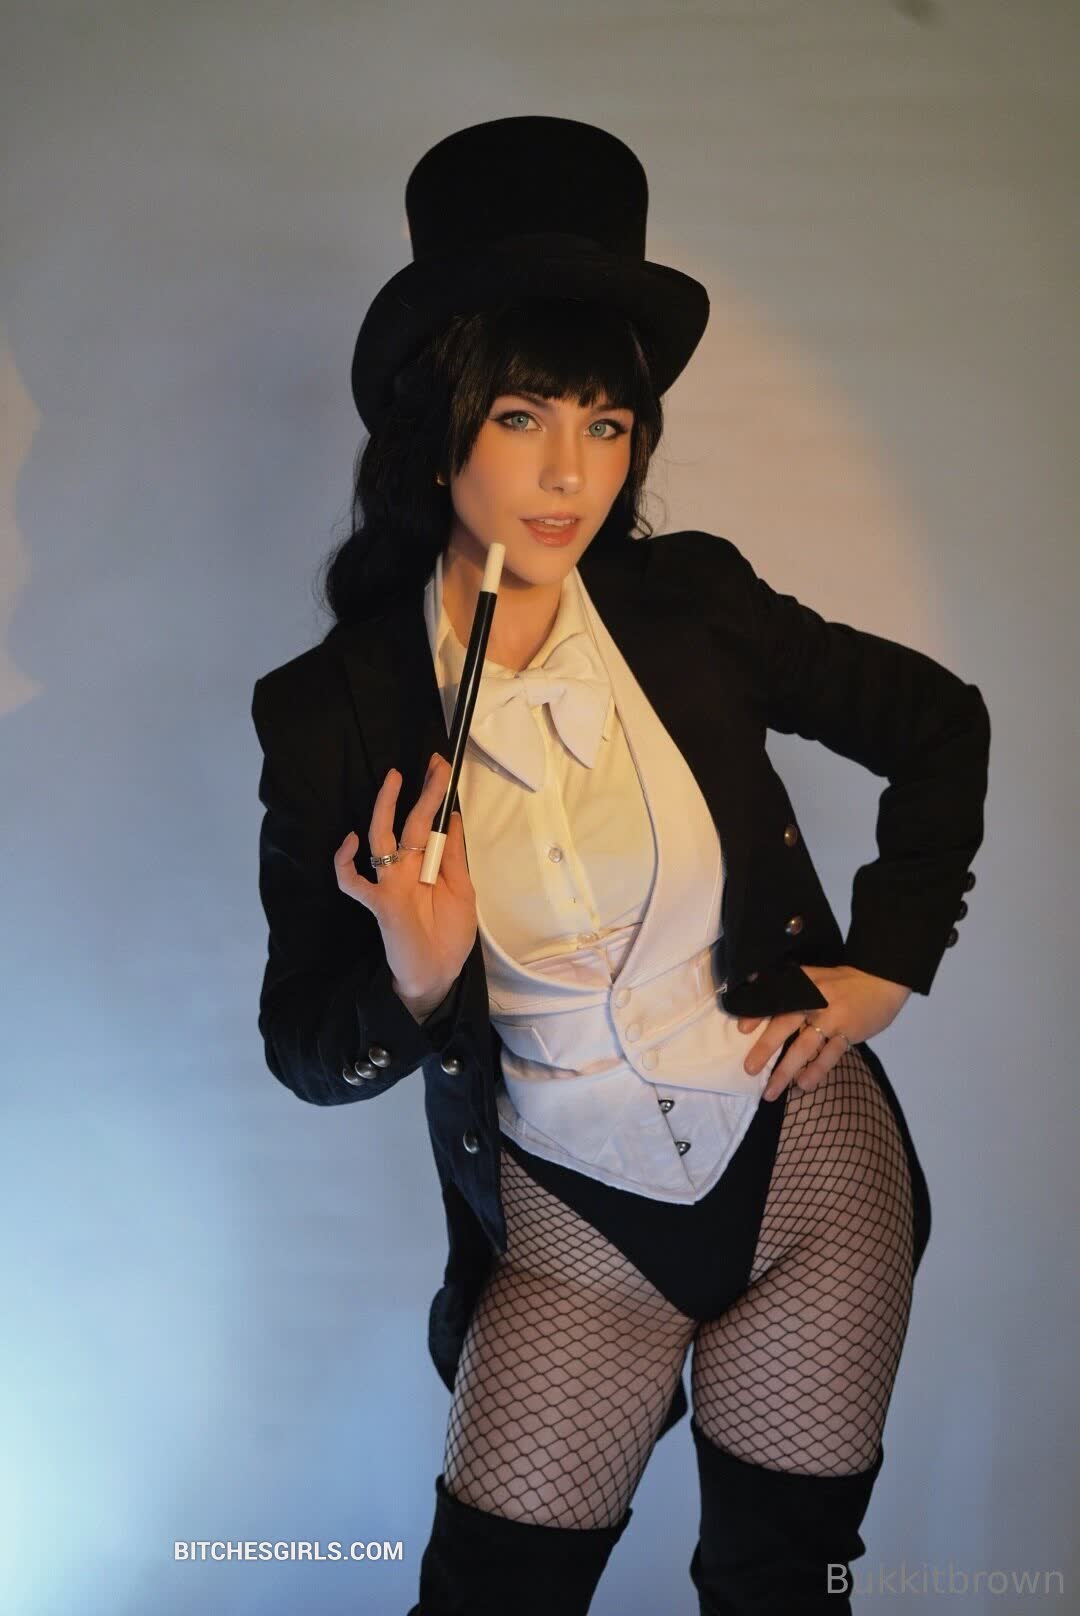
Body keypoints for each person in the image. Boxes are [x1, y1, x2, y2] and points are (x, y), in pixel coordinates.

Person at [251, 117, 990, 1615]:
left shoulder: (691, 606)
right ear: (438, 427)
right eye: (523, 416)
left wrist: (887, 964)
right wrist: (417, 985)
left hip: (806, 1164)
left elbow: (938, 723)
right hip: (575, 1228)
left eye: (607, 425)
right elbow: (304, 1051)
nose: (569, 472)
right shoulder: (335, 709)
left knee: (783, 1590)